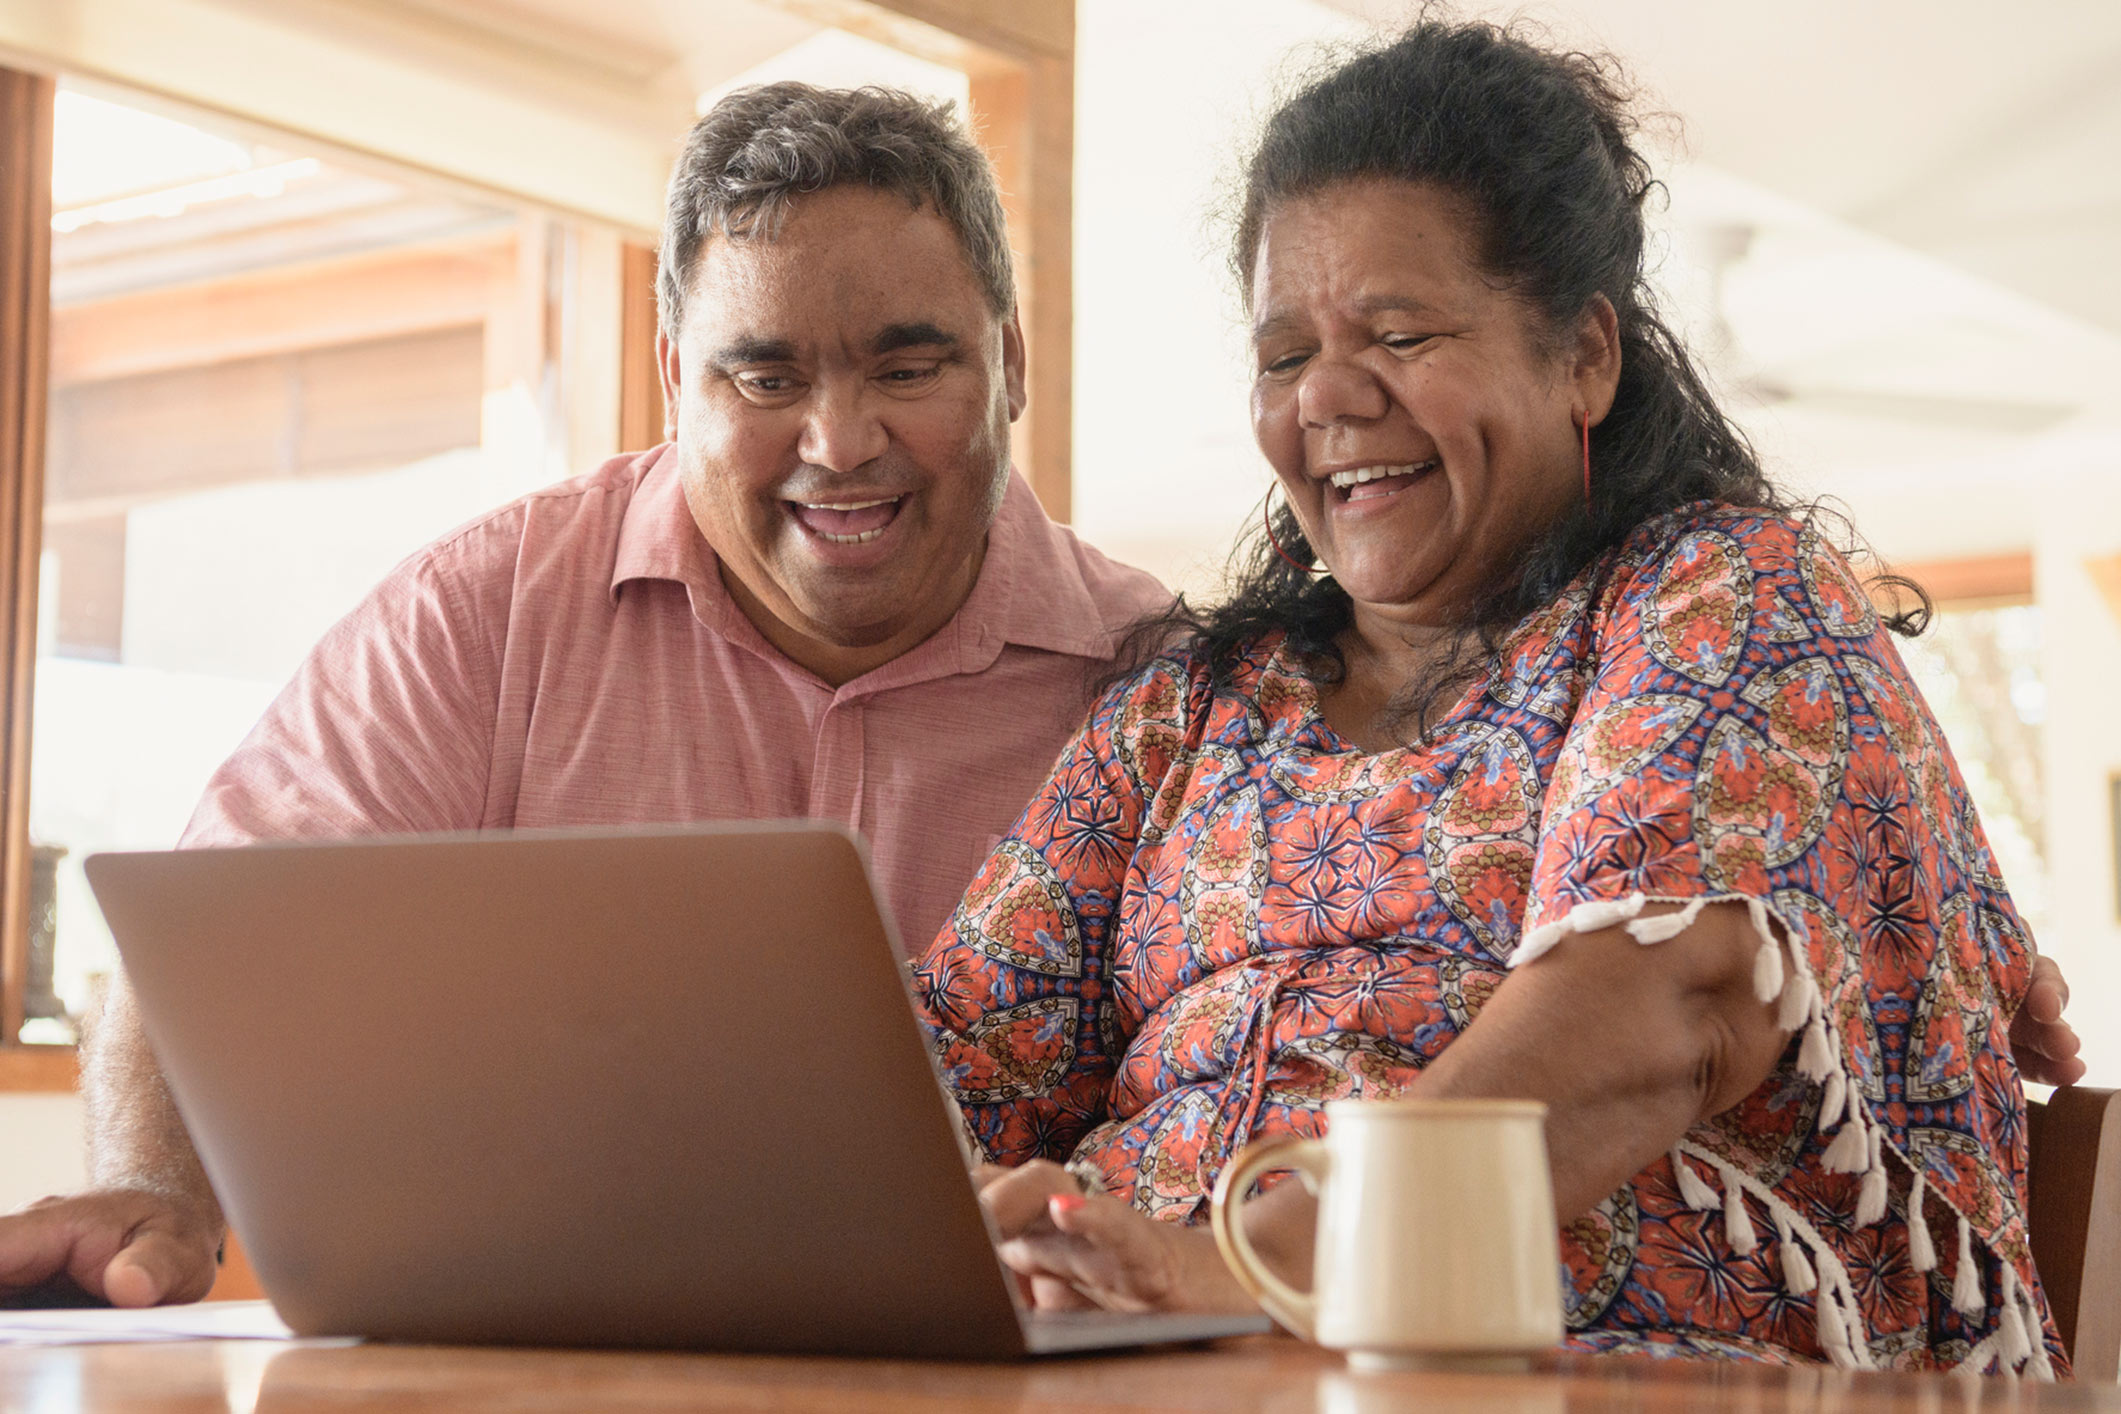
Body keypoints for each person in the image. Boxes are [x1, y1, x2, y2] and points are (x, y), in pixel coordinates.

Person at [923, 21, 2085, 1374]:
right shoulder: (1191, 705)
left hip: (1587, 1364)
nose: (1331, 397)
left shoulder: (1720, 599)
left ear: (1585, 355)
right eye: (1284, 352)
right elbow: (955, 1059)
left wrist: (1248, 1266)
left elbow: (1671, 995)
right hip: (1163, 1358)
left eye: (1400, 332)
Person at [0, 84, 1165, 1310]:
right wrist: (158, 1192)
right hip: (530, 1353)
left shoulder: (1161, 679)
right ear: (674, 376)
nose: (838, 440)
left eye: (909, 366)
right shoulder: (488, 613)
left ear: (1011, 362)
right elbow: (208, 936)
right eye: (763, 380)